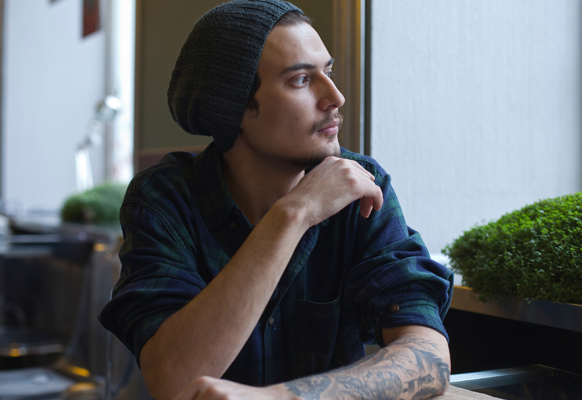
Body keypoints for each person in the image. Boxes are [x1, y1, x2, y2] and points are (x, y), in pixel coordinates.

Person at [99, 1, 454, 399]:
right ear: (234, 107)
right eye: (301, 80)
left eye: (329, 71)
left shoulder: (362, 185)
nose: (335, 97)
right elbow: (174, 380)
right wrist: (293, 214)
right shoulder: (165, 200)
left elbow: (429, 359)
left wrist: (283, 398)